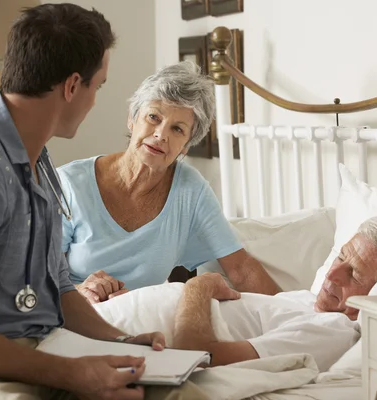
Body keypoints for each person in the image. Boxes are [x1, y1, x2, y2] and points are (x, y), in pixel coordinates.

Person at [0, 4, 164, 400]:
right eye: (97, 87)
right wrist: (69, 374)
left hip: (40, 349)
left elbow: (58, 288)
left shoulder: (36, 159)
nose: (95, 101)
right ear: (71, 86)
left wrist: (123, 341)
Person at [57, 61, 280, 303]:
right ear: (132, 118)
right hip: (72, 314)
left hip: (142, 321)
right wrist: (82, 291)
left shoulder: (190, 190)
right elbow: (34, 278)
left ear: (185, 146)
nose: (161, 134)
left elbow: (240, 268)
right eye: (153, 117)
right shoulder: (70, 183)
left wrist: (294, 315)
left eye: (177, 129)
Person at [94, 215, 377, 373]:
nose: (331, 275)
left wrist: (200, 286)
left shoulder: (334, 331)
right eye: (340, 257)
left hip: (125, 338)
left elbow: (198, 355)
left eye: (355, 274)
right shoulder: (304, 300)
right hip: (110, 320)